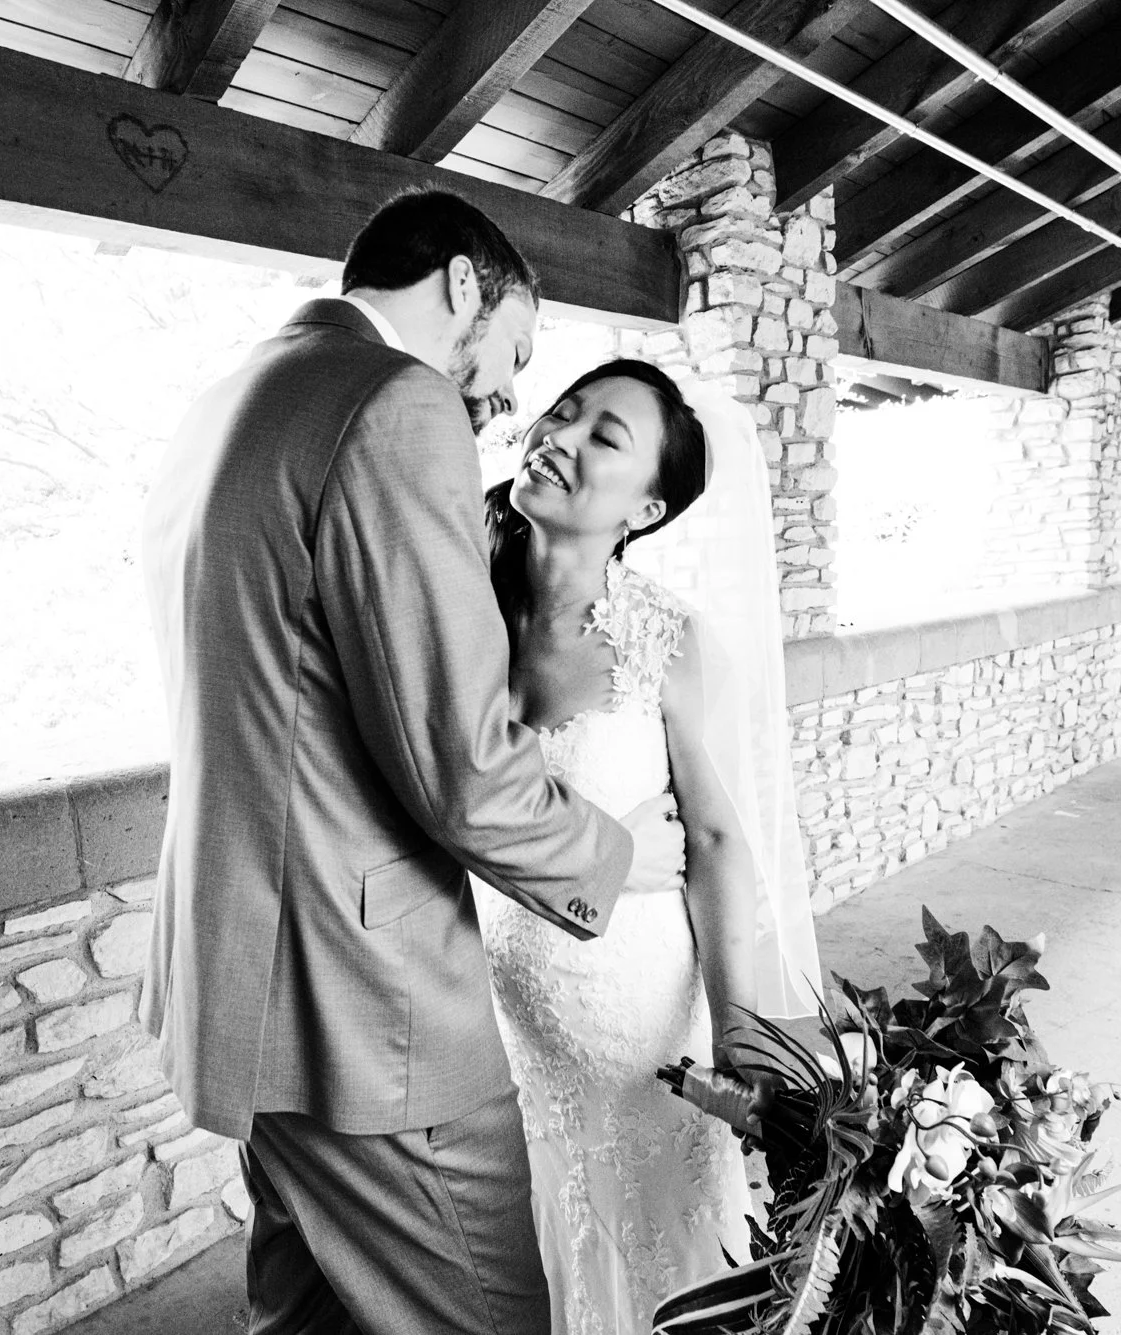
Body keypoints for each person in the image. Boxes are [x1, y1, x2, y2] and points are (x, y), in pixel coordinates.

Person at [137, 190, 689, 1334]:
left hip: (245, 973)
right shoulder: (397, 402)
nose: (504, 399)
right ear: (456, 289)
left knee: (308, 1315)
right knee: (483, 1309)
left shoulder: (231, 397)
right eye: (515, 352)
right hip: (361, 1000)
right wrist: (615, 852)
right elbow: (461, 771)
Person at [477, 360, 821, 1334]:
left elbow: (715, 839)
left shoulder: (666, 642)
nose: (562, 436)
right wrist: (605, 844)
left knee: (655, 1268)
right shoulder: (455, 606)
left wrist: (740, 1025)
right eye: (565, 411)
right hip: (482, 1026)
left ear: (646, 505)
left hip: (630, 1027)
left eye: (604, 437)